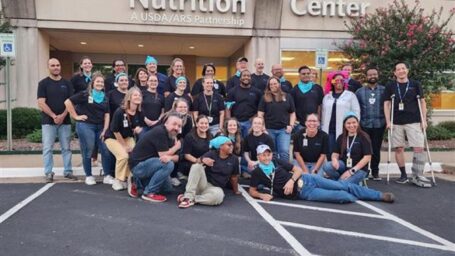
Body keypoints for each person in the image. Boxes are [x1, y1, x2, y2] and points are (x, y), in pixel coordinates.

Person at [249, 144, 394, 204]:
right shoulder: (257, 172)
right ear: (258, 156)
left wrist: (291, 180)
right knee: (343, 196)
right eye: (263, 155)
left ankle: (379, 196)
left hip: (307, 178)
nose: (266, 157)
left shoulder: (276, 161)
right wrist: (262, 195)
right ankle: (360, 195)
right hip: (304, 193)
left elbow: (298, 169)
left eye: (268, 154)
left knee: (342, 186)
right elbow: (252, 190)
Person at [384, 62, 430, 187]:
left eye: (403, 68)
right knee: (398, 148)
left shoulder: (415, 84)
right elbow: (387, 104)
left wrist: (423, 120)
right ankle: (403, 175)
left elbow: (422, 102)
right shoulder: (390, 86)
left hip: (414, 121)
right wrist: (388, 121)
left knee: (419, 148)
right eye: (398, 69)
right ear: (395, 73)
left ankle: (417, 175)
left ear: (407, 70)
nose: (401, 71)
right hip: (396, 122)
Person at [64, 72, 112, 185]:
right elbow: (68, 102)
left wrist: (105, 129)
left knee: (105, 149)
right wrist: (75, 116)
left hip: (100, 127)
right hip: (86, 125)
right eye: (98, 81)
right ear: (93, 83)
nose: (100, 83)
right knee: (88, 149)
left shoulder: (105, 97)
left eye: (101, 82)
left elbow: (107, 114)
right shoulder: (85, 94)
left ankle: (107, 175)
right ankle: (89, 176)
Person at [128, 112, 183, 202]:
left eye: (179, 126)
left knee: (167, 189)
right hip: (138, 166)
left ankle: (137, 182)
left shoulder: (172, 135)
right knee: (168, 164)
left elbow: (177, 157)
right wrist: (176, 147)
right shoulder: (160, 132)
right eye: (174, 124)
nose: (176, 128)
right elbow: (164, 155)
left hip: (150, 166)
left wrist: (172, 155)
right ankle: (149, 193)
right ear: (166, 123)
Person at [37, 58, 76, 183]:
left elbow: (71, 102)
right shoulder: (43, 83)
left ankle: (68, 171)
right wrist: (54, 116)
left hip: (65, 122)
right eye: (53, 65)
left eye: (58, 65)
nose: (56, 67)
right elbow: (41, 102)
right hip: (48, 122)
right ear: (48, 67)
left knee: (66, 148)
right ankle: (48, 173)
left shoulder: (67, 83)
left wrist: (63, 115)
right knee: (48, 148)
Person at [177, 136, 240, 208]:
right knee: (197, 166)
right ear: (220, 146)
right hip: (203, 183)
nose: (232, 146)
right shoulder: (212, 154)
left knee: (218, 197)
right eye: (229, 145)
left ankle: (189, 199)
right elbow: (197, 161)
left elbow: (234, 177)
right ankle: (188, 196)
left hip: (215, 188)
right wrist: (202, 160)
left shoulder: (234, 159)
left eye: (232, 144)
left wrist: (236, 191)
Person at [105, 87, 145, 191]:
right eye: (135, 95)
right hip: (113, 138)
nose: (138, 97)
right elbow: (115, 130)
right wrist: (124, 146)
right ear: (129, 98)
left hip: (127, 137)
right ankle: (118, 180)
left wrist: (137, 129)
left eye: (139, 95)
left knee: (134, 156)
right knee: (123, 156)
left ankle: (129, 179)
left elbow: (138, 126)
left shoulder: (140, 112)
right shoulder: (120, 111)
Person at [320, 112, 372, 184]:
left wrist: (351, 171)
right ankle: (339, 182)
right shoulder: (341, 137)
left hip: (359, 169)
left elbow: (367, 157)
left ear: (358, 123)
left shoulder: (364, 137)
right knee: (327, 166)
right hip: (344, 166)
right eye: (348, 123)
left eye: (354, 122)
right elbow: (335, 153)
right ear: (344, 125)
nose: (351, 125)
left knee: (342, 183)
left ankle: (337, 183)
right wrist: (334, 159)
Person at [355, 67, 386, 181]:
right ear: (366, 77)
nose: (372, 76)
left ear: (378, 75)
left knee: (376, 148)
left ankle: (375, 171)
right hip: (364, 124)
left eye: (375, 74)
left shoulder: (384, 90)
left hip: (379, 124)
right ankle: (364, 171)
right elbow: (356, 108)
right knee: (365, 149)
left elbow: (388, 106)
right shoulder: (359, 92)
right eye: (370, 75)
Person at [258, 77, 296, 161]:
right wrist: (263, 128)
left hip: (284, 130)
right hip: (269, 129)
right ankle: (273, 171)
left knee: (284, 152)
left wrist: (291, 125)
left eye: (275, 83)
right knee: (272, 153)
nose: (273, 85)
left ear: (279, 84)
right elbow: (260, 114)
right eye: (271, 84)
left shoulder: (287, 96)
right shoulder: (265, 97)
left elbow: (292, 113)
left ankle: (284, 172)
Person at [321, 72, 360, 153]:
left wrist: (354, 125)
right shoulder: (327, 97)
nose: (339, 82)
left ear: (344, 82)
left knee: (343, 151)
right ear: (332, 82)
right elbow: (323, 113)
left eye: (341, 80)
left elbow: (356, 112)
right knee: (329, 151)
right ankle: (330, 165)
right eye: (336, 80)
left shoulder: (350, 95)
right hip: (329, 130)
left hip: (345, 129)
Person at [226, 69, 262, 137]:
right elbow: (228, 108)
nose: (246, 77)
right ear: (240, 78)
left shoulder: (257, 92)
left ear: (251, 78)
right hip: (236, 122)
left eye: (248, 76)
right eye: (244, 75)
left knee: (248, 143)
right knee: (236, 143)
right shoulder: (232, 91)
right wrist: (229, 121)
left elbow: (260, 108)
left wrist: (254, 118)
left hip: (250, 122)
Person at [290, 65, 324, 132]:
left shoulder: (318, 88)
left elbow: (320, 105)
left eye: (308, 73)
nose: (306, 75)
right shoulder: (294, 90)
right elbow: (292, 107)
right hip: (300, 125)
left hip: (314, 123)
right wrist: (295, 121)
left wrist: (318, 120)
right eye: (303, 74)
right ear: (299, 75)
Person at [177, 115, 211, 179]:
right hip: (191, 162)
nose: (204, 125)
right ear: (197, 124)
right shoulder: (189, 136)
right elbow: (186, 155)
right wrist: (199, 162)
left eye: (206, 123)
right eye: (201, 123)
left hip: (205, 162)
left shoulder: (210, 135)